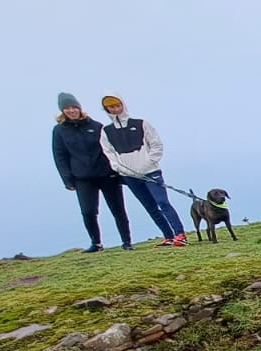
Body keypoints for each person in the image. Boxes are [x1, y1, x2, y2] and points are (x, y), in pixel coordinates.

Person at [98, 94, 187, 247]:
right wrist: (118, 167)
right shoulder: (106, 131)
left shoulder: (141, 124)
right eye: (111, 107)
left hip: (151, 172)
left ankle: (180, 235)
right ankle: (168, 237)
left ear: (123, 105)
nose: (115, 109)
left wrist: (150, 161)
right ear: (107, 110)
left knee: (162, 202)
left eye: (117, 105)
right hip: (129, 176)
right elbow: (109, 152)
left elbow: (156, 144)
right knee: (150, 207)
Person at [52, 93, 131, 252]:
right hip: (82, 178)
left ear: (80, 108)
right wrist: (68, 180)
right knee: (88, 211)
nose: (71, 110)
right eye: (67, 108)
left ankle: (127, 242)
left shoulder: (96, 126)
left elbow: (112, 150)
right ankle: (96, 243)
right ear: (63, 111)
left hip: (108, 175)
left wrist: (120, 172)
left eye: (74, 107)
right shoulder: (59, 130)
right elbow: (59, 156)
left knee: (118, 209)